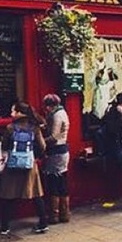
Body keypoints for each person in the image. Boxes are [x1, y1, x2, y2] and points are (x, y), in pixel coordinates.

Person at [0, 101, 48, 235]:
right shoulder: (34, 127)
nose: (11, 113)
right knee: (36, 195)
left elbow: (3, 147)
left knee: (9, 196)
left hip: (13, 165)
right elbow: (43, 146)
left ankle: (5, 227)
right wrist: (34, 157)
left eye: (13, 111)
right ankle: (43, 223)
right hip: (29, 165)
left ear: (20, 113)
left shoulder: (10, 128)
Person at [41, 93, 71, 224]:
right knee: (62, 182)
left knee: (54, 182)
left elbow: (55, 137)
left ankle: (54, 215)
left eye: (46, 106)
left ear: (50, 105)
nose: (45, 109)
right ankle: (64, 214)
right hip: (62, 151)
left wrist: (40, 140)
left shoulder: (57, 115)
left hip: (57, 152)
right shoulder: (61, 113)